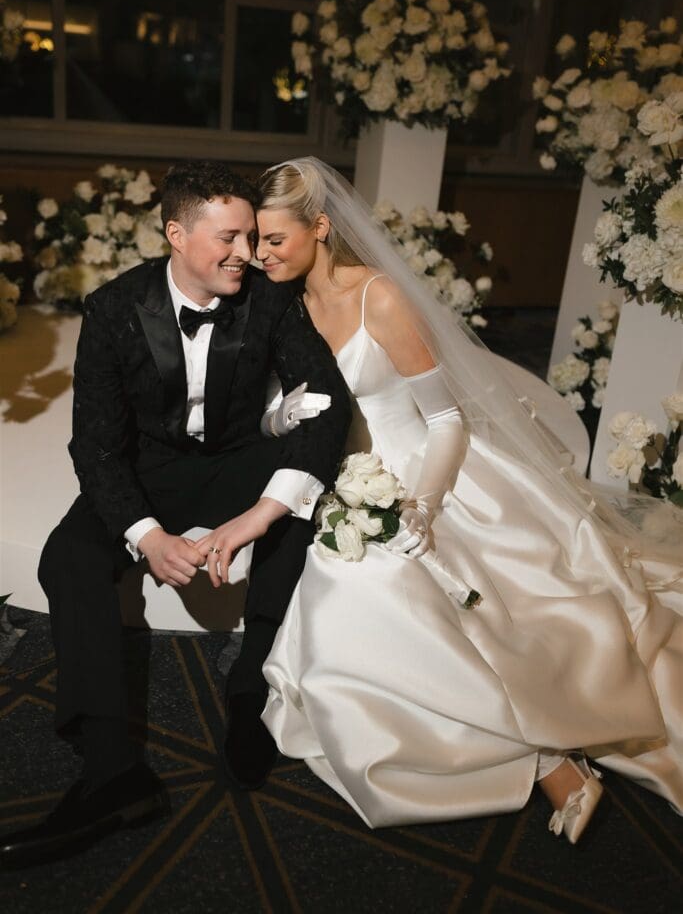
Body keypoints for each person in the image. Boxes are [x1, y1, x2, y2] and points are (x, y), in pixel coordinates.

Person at [254, 157, 683, 839]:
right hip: (353, 485)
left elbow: (445, 420)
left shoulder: (380, 299)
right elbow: (279, 407)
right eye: (255, 239)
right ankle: (537, 757)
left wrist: (422, 506)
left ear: (321, 228)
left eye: (273, 239)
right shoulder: (286, 303)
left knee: (410, 591)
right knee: (352, 589)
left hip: (432, 472)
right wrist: (280, 416)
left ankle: (548, 757)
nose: (259, 253)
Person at [0, 160, 351, 869]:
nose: (247, 254)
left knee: (297, 516)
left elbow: (327, 404)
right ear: (175, 234)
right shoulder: (113, 309)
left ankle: (248, 692)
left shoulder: (270, 300)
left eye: (251, 236)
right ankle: (110, 771)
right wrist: (146, 535)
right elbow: (95, 444)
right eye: (228, 237)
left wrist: (259, 514)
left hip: (237, 459)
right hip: (148, 471)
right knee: (68, 556)